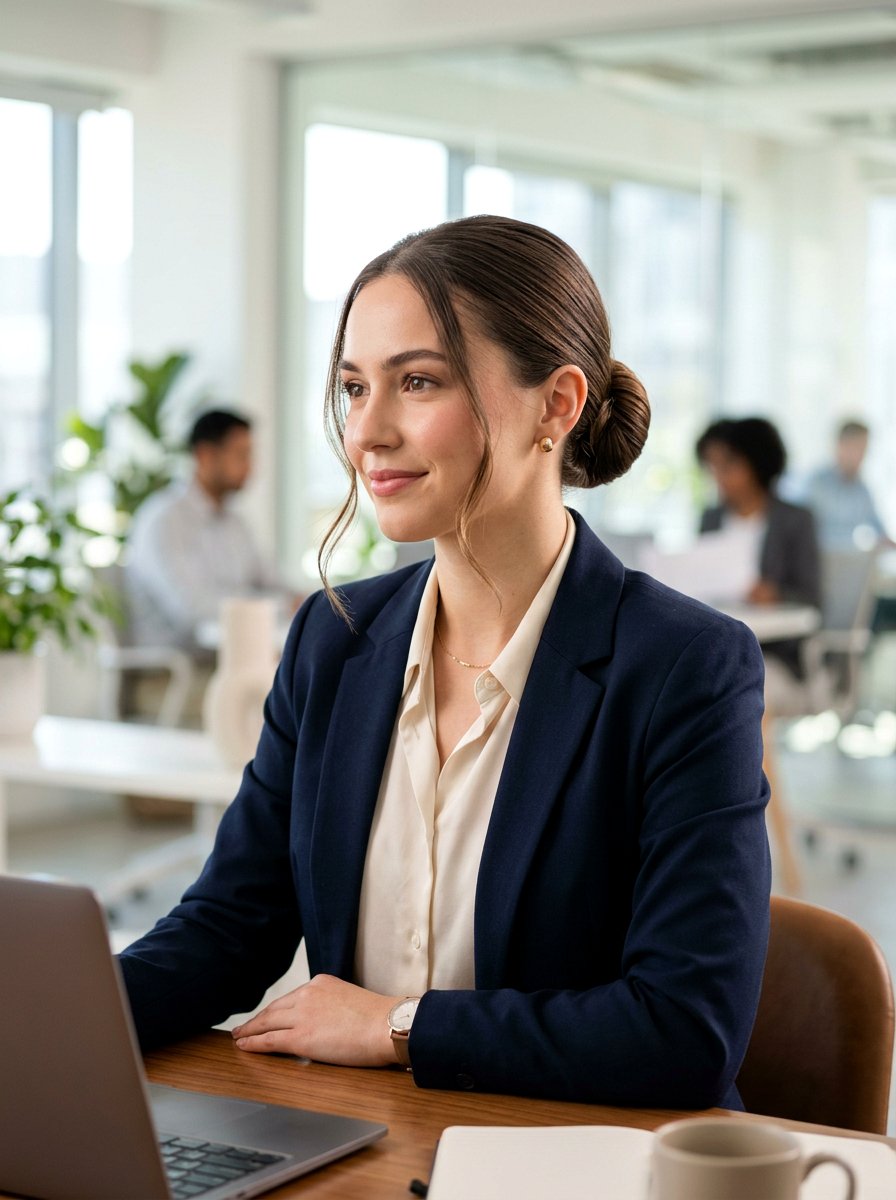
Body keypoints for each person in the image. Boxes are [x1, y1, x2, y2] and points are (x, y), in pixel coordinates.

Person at [119, 216, 770, 1111]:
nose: (368, 433)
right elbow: (229, 927)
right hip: (370, 1150)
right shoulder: (334, 640)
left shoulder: (684, 667)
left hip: (582, 1164)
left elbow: (684, 1030)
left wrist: (400, 1026)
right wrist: (54, 1010)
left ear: (558, 404)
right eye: (354, 387)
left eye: (417, 382)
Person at [125, 409, 296, 652]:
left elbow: (270, 581)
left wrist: (304, 601)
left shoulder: (235, 522)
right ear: (205, 455)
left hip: (232, 655)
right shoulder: (163, 520)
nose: (250, 467)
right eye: (241, 455)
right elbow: (192, 610)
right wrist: (281, 606)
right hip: (178, 670)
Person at [696, 417, 820, 681]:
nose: (718, 475)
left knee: (742, 687)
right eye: (712, 466)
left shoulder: (795, 519)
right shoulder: (711, 518)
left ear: (756, 464)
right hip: (716, 648)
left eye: (728, 464)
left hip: (775, 655)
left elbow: (812, 597)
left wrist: (773, 594)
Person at [805, 420, 890, 550]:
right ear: (840, 446)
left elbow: (878, 528)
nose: (862, 456)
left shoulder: (862, 490)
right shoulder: (817, 483)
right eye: (858, 448)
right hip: (819, 559)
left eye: (864, 450)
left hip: (850, 561)